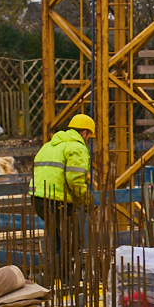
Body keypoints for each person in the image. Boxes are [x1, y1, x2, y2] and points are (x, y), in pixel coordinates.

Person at [30, 112, 94, 283]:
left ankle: (56, 275)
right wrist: (87, 201)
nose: (88, 140)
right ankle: (64, 278)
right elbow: (75, 180)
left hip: (38, 199)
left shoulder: (49, 145)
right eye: (89, 136)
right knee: (68, 240)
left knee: (57, 237)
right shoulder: (76, 147)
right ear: (84, 133)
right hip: (57, 200)